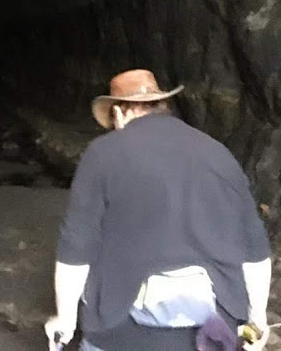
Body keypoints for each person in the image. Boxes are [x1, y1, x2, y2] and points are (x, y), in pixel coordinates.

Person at [45, 69, 272, 351]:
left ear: (119, 112)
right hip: (213, 329)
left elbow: (76, 247)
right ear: (162, 104)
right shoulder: (218, 152)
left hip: (125, 332)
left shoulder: (102, 154)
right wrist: (257, 320)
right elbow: (255, 250)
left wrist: (64, 320)